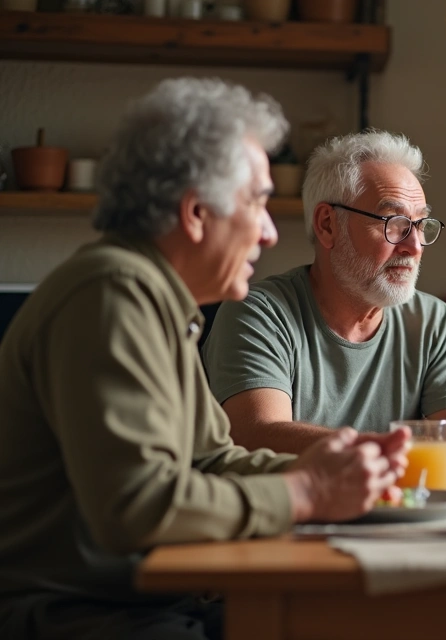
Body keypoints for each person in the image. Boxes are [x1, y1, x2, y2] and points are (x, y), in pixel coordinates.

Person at [0, 78, 407, 640]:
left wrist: (332, 470)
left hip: (141, 604)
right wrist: (307, 494)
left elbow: (212, 460)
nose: (268, 232)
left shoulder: (159, 302)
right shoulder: (112, 294)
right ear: (195, 213)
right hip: (75, 616)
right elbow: (137, 506)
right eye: (259, 202)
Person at [203, 130, 446, 478]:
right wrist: (399, 453)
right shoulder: (258, 313)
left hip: (406, 524)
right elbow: (255, 436)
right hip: (289, 522)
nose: (414, 246)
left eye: (420, 225)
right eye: (395, 223)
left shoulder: (434, 321)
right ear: (328, 225)